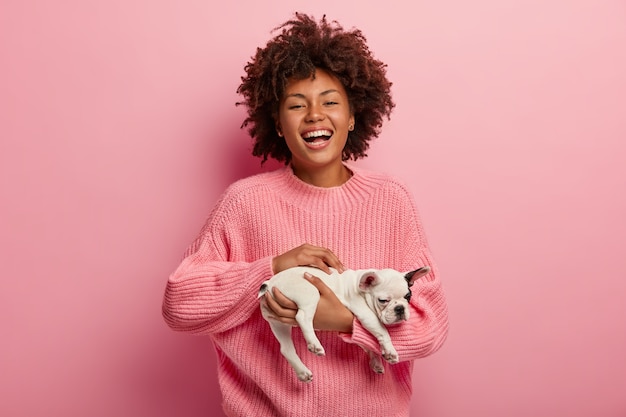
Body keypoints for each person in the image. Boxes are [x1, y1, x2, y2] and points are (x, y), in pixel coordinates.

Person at [162, 13, 449, 417]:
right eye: (297, 105)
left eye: (330, 102)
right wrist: (271, 269)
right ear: (278, 124)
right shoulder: (244, 203)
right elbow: (179, 303)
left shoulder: (392, 200)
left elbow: (431, 325)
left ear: (353, 116)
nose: (315, 114)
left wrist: (346, 320)